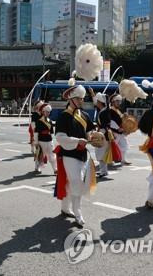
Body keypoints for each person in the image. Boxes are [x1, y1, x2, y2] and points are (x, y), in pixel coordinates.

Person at [54, 85, 95, 227]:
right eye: (78, 98)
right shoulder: (63, 116)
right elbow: (60, 137)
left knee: (73, 182)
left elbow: (90, 130)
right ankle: (78, 213)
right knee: (77, 182)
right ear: (71, 99)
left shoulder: (85, 115)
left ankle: (65, 208)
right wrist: (78, 141)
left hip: (83, 154)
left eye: (82, 98)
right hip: (69, 154)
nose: (81, 101)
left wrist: (95, 137)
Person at [33, 103, 57, 174]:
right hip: (41, 140)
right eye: (47, 112)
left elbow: (52, 132)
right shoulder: (39, 121)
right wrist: (36, 142)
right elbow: (36, 132)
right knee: (40, 155)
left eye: (49, 112)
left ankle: (55, 169)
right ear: (43, 112)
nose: (48, 113)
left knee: (52, 155)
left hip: (49, 140)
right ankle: (37, 167)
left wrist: (53, 140)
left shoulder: (50, 121)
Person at [109, 94, 131, 165]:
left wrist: (124, 116)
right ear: (113, 102)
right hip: (114, 131)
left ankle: (123, 159)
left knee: (124, 145)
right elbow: (111, 121)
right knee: (112, 146)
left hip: (120, 131)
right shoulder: (110, 110)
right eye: (117, 101)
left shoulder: (118, 110)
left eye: (119, 101)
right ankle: (110, 160)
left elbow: (120, 119)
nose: (119, 103)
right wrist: (118, 128)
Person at [92, 92, 111, 177]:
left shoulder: (104, 112)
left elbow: (104, 126)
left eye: (98, 101)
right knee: (101, 153)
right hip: (103, 134)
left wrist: (98, 135)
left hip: (103, 135)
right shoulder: (103, 111)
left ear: (100, 102)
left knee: (101, 153)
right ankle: (103, 170)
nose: (97, 103)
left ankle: (104, 171)